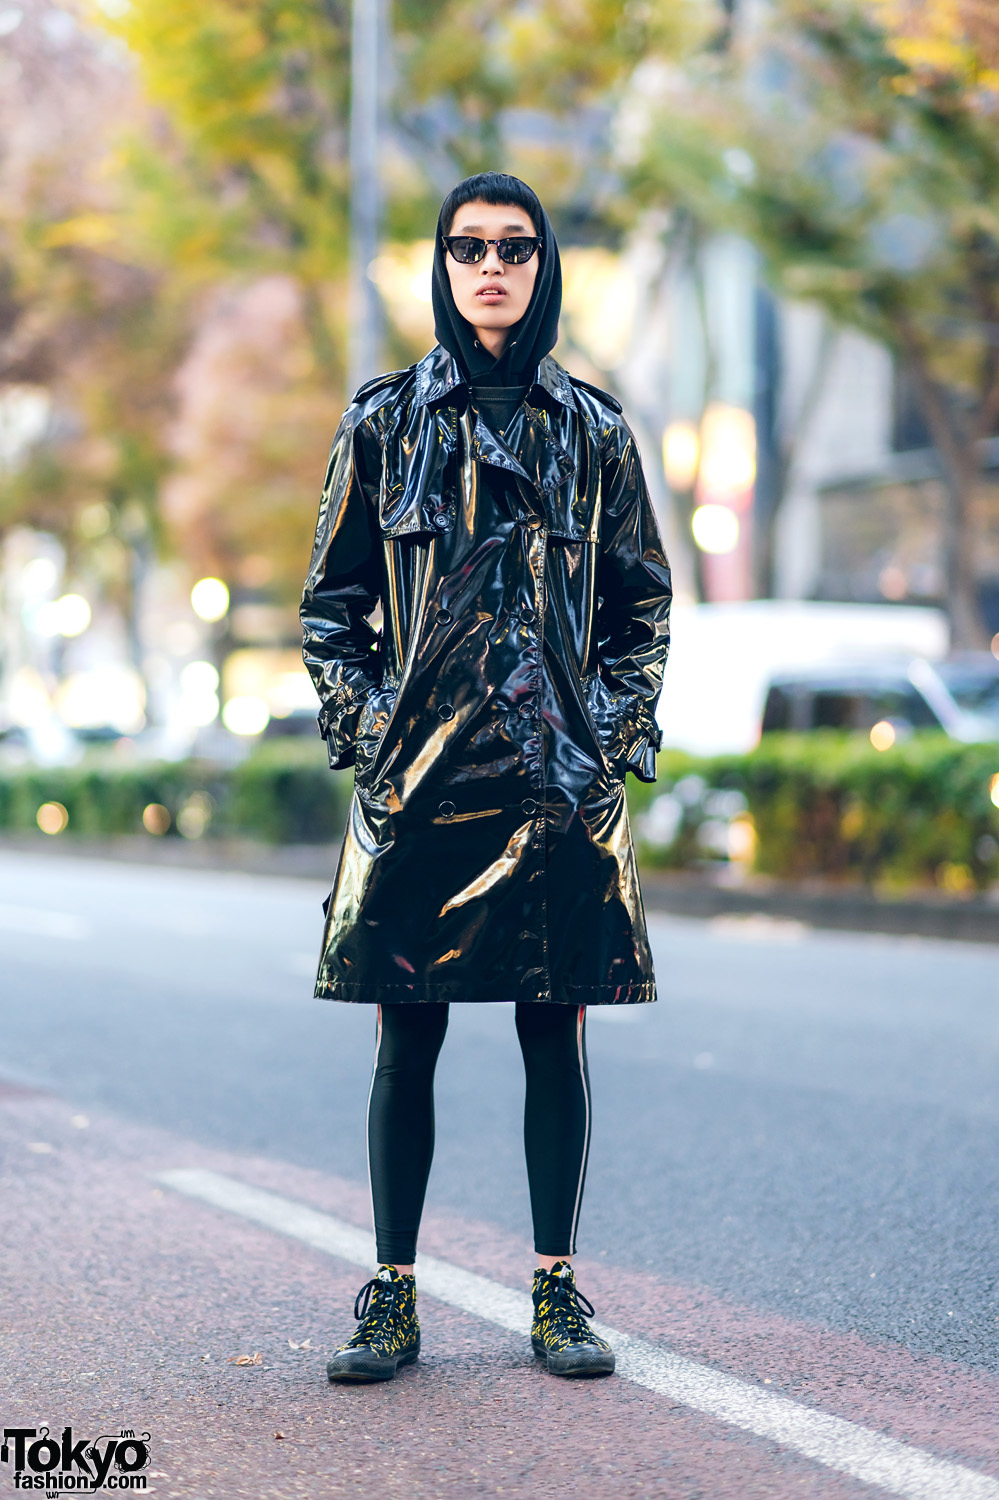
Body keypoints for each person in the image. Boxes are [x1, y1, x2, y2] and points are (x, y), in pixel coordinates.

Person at [301, 172, 671, 1384]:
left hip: (552, 792)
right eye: (468, 248)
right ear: (443, 268)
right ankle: (391, 1294)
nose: (491, 267)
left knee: (550, 1032)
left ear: (544, 262)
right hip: (418, 789)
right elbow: (331, 611)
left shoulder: (595, 433)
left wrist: (602, 743)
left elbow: (640, 608)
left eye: (514, 246)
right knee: (405, 1040)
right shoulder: (386, 423)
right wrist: (374, 744)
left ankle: (558, 1294)